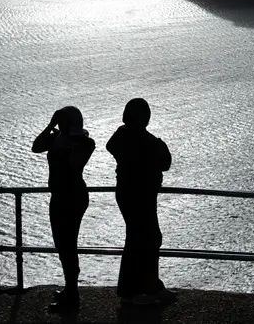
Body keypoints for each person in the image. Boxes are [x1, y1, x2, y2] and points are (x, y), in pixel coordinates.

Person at [106, 98, 177, 305]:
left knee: (148, 237)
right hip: (136, 194)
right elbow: (164, 162)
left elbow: (113, 147)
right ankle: (133, 291)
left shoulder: (126, 136)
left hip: (136, 193)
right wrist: (153, 148)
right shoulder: (141, 139)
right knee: (141, 238)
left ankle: (148, 285)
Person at [32, 106, 95, 312]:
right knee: (63, 245)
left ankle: (72, 295)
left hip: (72, 197)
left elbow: (74, 165)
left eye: (61, 121)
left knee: (67, 244)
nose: (59, 124)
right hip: (60, 197)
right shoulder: (57, 139)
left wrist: (66, 143)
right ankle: (70, 290)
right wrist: (50, 126)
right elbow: (36, 147)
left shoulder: (85, 142)